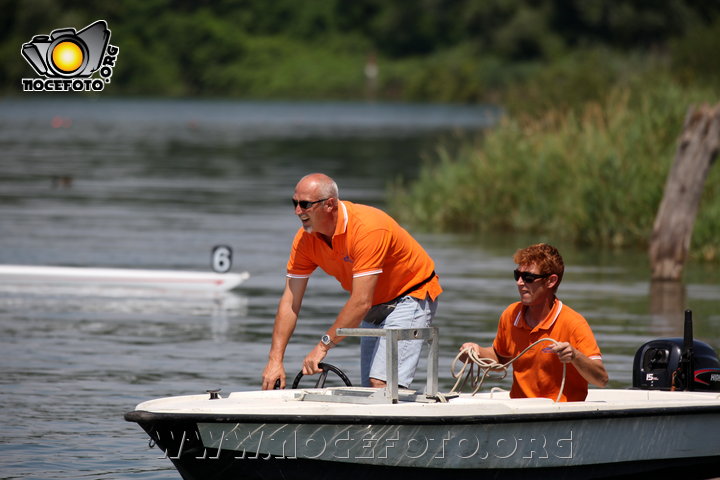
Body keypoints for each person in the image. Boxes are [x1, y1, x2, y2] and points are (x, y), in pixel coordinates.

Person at [261, 173, 442, 390]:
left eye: (305, 204)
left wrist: (323, 346)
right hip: (374, 306)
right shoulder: (304, 240)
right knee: (370, 388)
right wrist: (275, 360)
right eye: (295, 203)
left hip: (411, 295)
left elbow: (360, 302)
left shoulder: (368, 228)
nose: (297, 211)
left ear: (329, 204)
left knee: (381, 384)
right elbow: (290, 301)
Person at [459, 243, 608, 401]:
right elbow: (501, 359)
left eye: (528, 278)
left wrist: (575, 356)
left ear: (551, 281)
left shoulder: (573, 323)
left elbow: (601, 379)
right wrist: (475, 352)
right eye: (517, 275)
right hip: (520, 410)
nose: (520, 283)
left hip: (561, 413)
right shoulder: (511, 314)